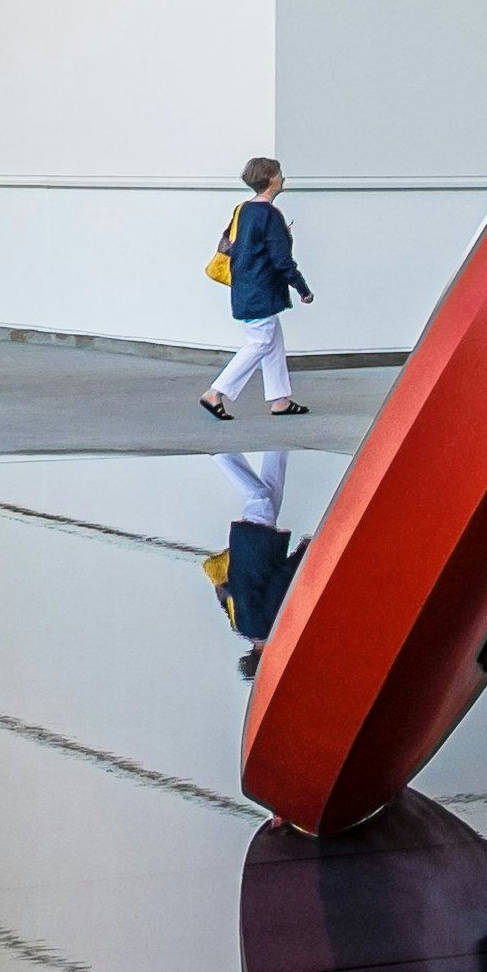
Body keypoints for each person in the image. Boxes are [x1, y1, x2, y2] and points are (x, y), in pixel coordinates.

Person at [205, 156, 314, 420]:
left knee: (272, 340)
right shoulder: (268, 214)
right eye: (280, 173)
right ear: (271, 180)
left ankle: (280, 400)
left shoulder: (243, 209)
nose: (283, 178)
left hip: (245, 286)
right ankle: (215, 393)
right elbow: (281, 259)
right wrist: (302, 288)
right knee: (260, 341)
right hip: (260, 289)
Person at [207, 451, 300, 680]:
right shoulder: (240, 626)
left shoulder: (263, 627)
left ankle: (221, 454)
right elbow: (224, 594)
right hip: (244, 550)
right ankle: (278, 445)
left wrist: (301, 554)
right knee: (272, 490)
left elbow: (279, 583)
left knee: (260, 498)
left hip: (259, 550)